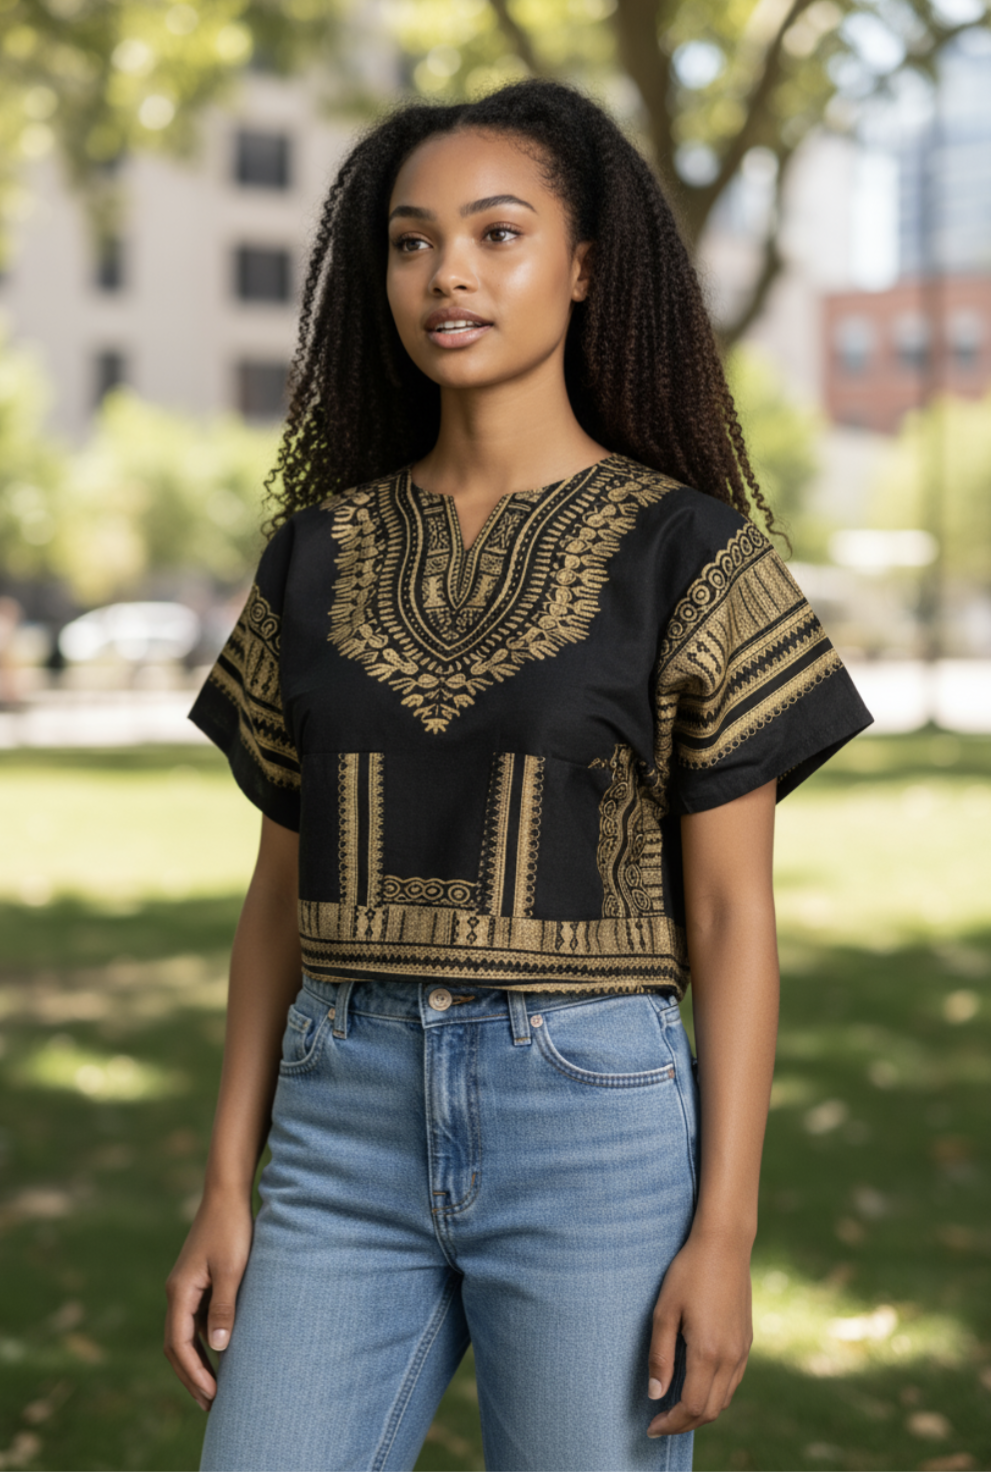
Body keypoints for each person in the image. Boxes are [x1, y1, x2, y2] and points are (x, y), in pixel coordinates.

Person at [164, 78, 873, 1472]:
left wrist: (721, 1231)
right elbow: (276, 899)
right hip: (337, 1119)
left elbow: (731, 922)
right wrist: (223, 1184)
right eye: (413, 242)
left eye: (498, 234)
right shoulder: (311, 555)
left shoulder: (690, 555)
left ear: (585, 265)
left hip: (590, 1125)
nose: (450, 276)